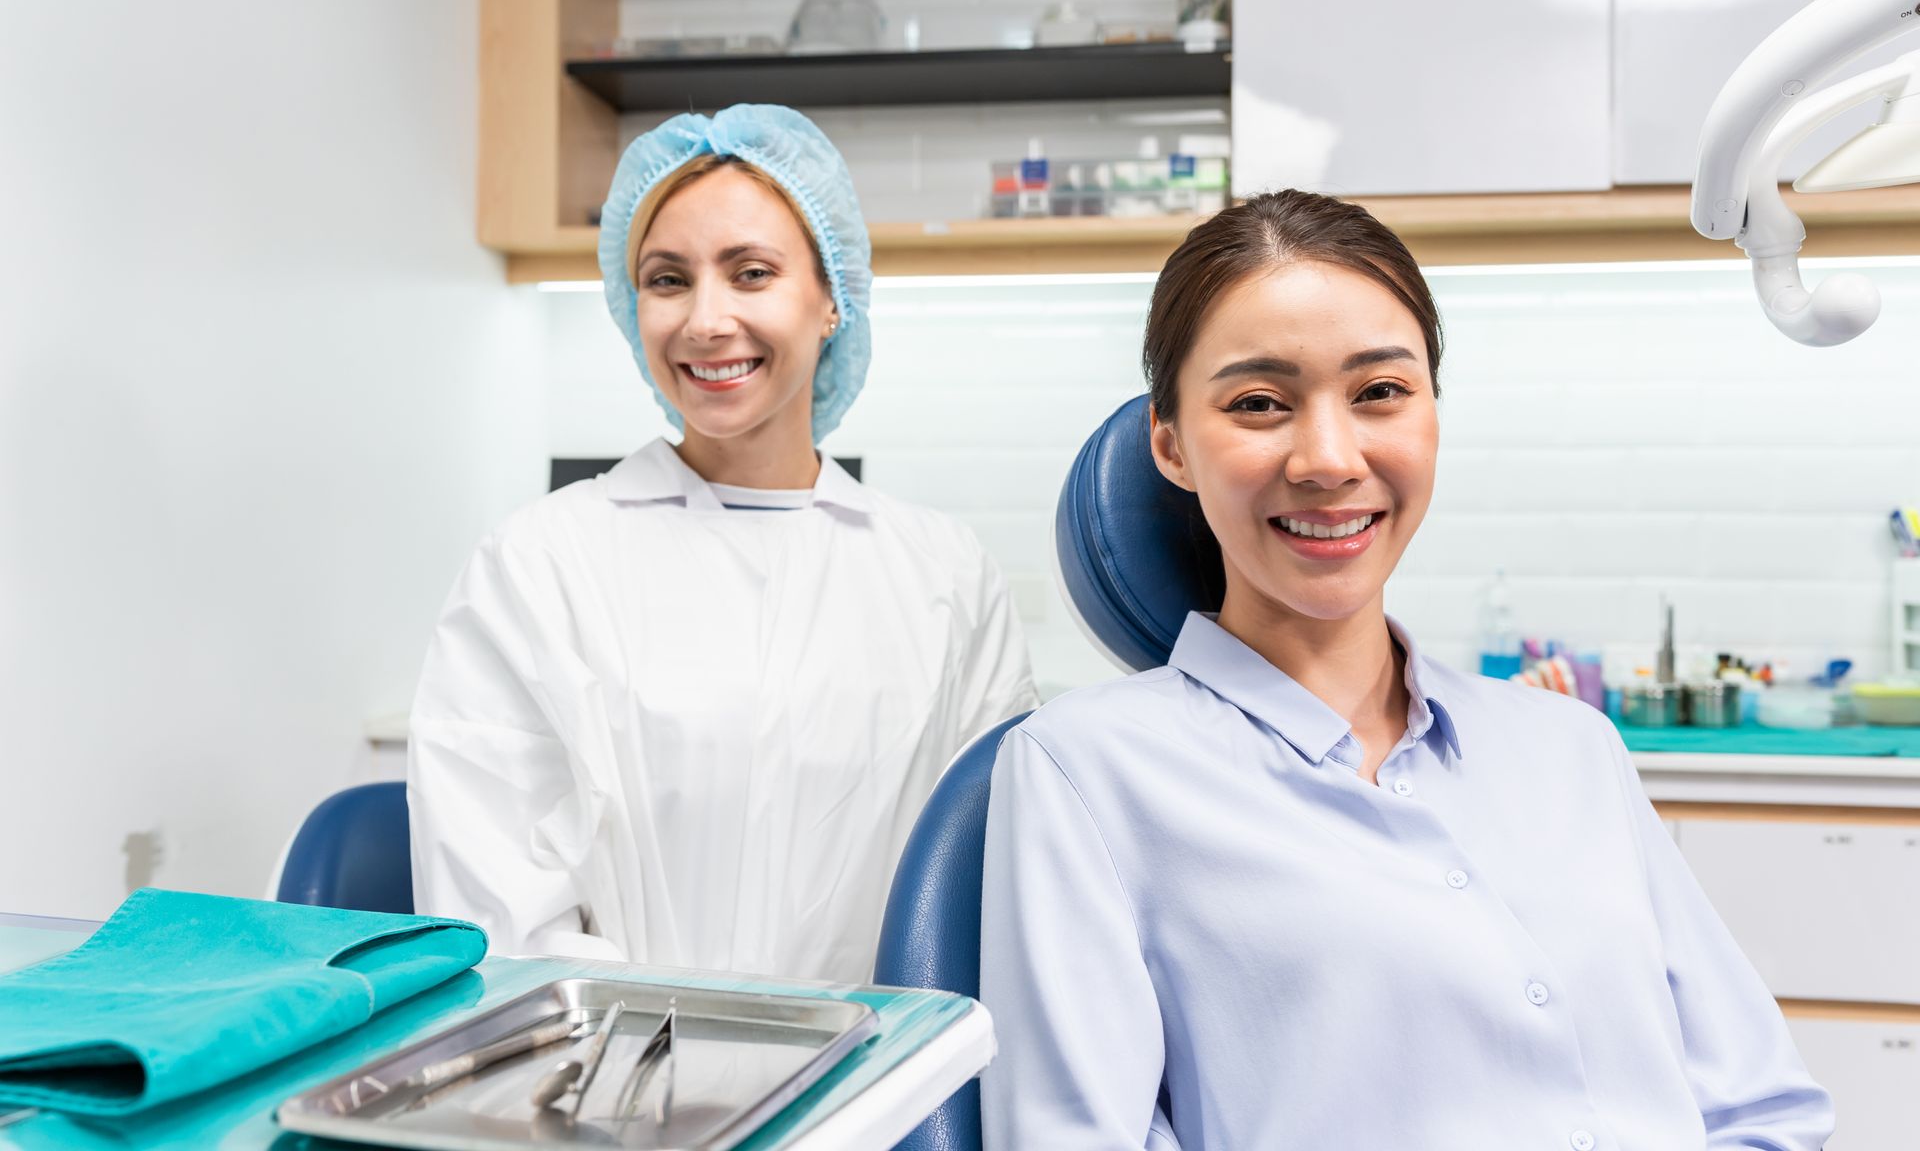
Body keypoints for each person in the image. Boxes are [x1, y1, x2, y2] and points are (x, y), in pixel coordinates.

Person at [979, 191, 1832, 1149]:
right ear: (1171, 446)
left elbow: (1765, 1110)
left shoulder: (1569, 749)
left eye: (1380, 391)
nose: (1330, 458)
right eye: (1259, 403)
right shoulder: (1086, 773)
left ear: (1431, 414)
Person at [409, 104, 1036, 982]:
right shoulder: (539, 564)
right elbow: (497, 916)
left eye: (750, 273)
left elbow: (985, 886)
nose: (705, 320)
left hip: (875, 1095)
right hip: (604, 1096)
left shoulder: (944, 577)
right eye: (668, 280)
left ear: (831, 301)